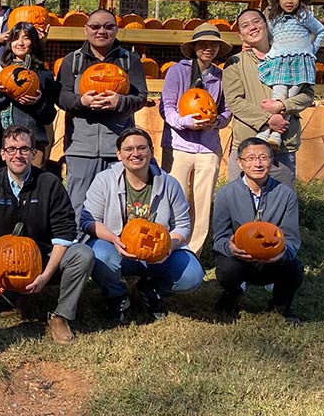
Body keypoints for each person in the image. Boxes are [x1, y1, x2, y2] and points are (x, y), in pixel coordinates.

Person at [0, 125, 95, 345]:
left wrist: (45, 275)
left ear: (34, 153)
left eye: (24, 149)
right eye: (12, 149)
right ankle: (11, 297)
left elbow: (65, 234)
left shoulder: (49, 183)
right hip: (2, 258)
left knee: (83, 255)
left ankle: (61, 315)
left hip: (44, 256)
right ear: (2, 154)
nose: (18, 155)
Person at [80, 128, 204, 322]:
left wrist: (169, 247)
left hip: (160, 253)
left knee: (192, 275)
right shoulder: (104, 180)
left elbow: (183, 224)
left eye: (141, 148)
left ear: (151, 151)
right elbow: (88, 220)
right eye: (128, 149)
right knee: (96, 254)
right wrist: (114, 239)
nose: (135, 154)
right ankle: (117, 296)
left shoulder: (169, 183)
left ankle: (151, 290)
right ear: (119, 154)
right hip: (117, 250)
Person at [57, 8, 148, 212]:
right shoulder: (73, 61)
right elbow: (62, 97)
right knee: (79, 205)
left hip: (117, 148)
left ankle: (110, 244)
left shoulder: (129, 60)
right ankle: (79, 244)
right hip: (81, 148)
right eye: (95, 26)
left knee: (117, 205)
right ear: (86, 29)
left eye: (108, 26)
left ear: (116, 30)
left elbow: (140, 97)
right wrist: (83, 101)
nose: (101, 31)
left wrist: (120, 102)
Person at [212, 138, 304, 325]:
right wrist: (230, 248)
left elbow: (292, 238)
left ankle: (281, 304)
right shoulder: (226, 194)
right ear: (240, 162)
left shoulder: (286, 195)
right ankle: (232, 294)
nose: (258, 163)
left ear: (272, 160)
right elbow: (219, 237)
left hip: (273, 258)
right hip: (240, 258)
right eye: (251, 158)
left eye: (263, 157)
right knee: (226, 269)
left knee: (295, 268)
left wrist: (282, 254)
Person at [158, 25, 233, 255]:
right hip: (178, 144)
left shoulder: (221, 77)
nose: (208, 48)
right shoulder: (176, 72)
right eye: (203, 44)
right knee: (175, 197)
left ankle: (194, 251)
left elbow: (227, 110)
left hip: (208, 147)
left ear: (219, 49)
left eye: (213, 44)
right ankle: (170, 246)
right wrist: (184, 122)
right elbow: (166, 107)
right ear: (194, 48)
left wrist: (217, 121)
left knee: (202, 202)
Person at [224, 8, 314, 188]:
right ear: (241, 35)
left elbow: (307, 95)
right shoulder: (235, 63)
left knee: (280, 203)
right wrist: (268, 120)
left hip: (281, 145)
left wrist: (283, 105)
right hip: (246, 145)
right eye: (245, 25)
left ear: (267, 25)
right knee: (240, 205)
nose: (252, 27)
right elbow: (234, 101)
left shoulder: (292, 57)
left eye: (257, 22)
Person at [256, 0, 324, 148]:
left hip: (300, 64)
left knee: (290, 98)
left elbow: (321, 31)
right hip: (280, 62)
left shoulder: (305, 16)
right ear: (278, 0)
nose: (289, 1)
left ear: (300, 0)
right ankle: (267, 129)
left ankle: (275, 135)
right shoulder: (273, 19)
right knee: (279, 96)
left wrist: (311, 50)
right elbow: (269, 38)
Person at [0, 22, 58, 168]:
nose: (20, 43)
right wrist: (2, 91)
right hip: (2, 141)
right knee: (1, 187)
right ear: (10, 43)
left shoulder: (43, 75)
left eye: (26, 38)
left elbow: (49, 116)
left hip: (32, 142)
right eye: (15, 38)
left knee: (31, 187)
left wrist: (37, 103)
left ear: (33, 42)